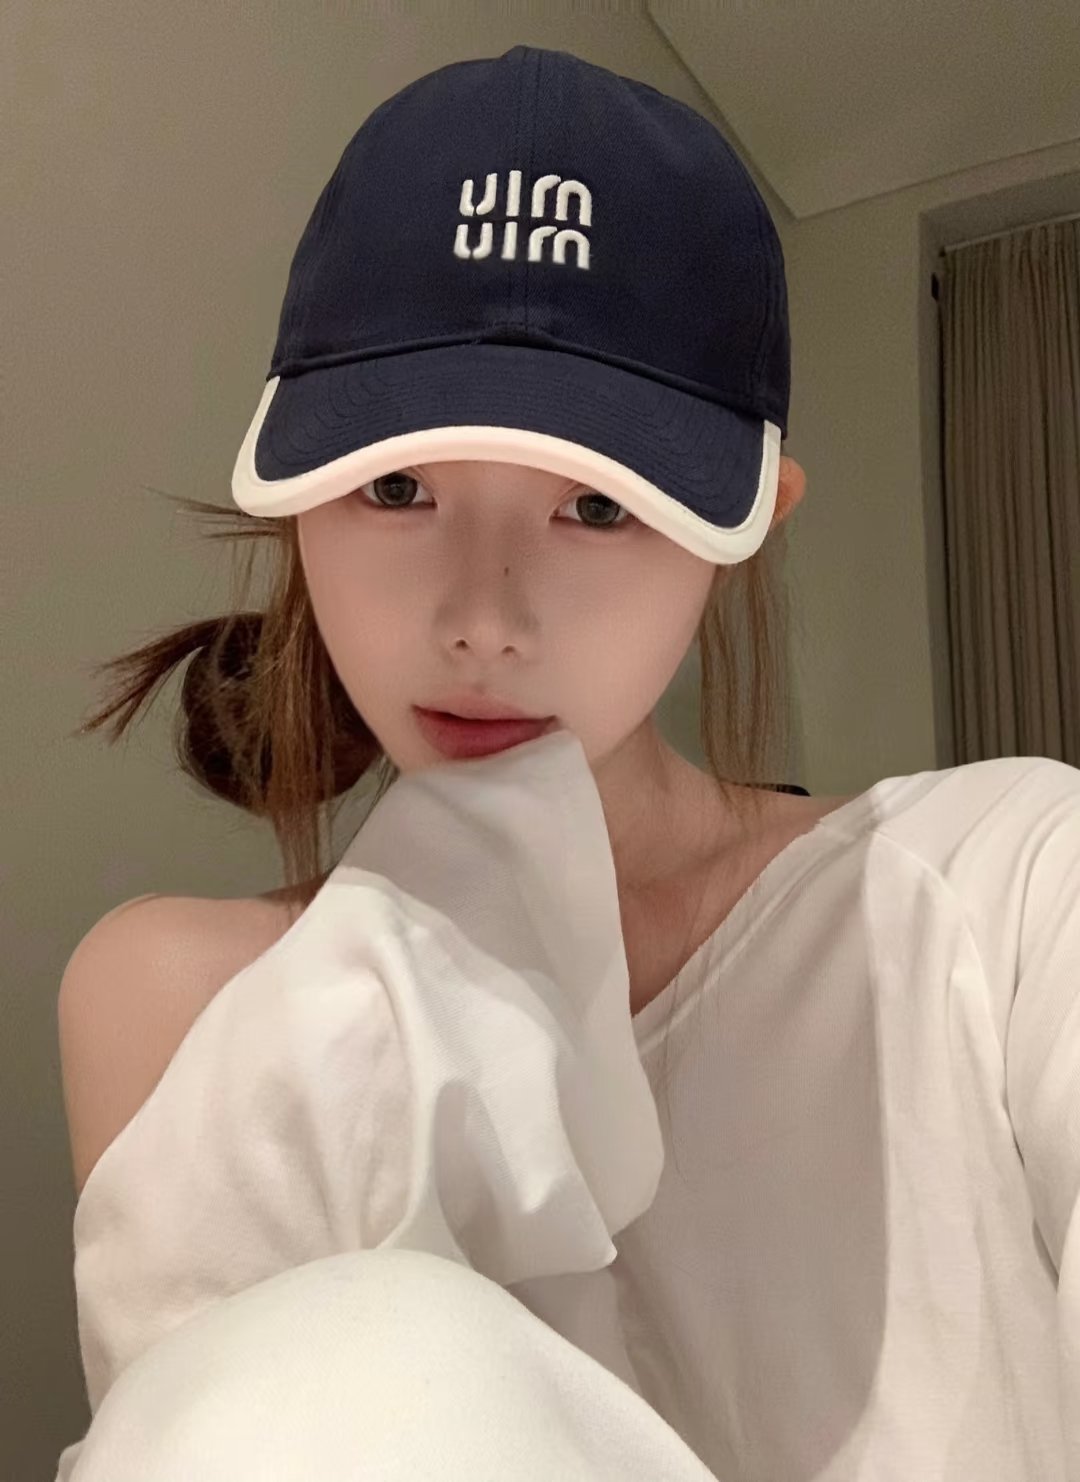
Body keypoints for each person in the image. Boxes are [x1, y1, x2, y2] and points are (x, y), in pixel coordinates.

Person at [60, 43, 1080, 1482]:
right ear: (296, 494)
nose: (483, 618)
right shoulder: (189, 1009)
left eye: (597, 504)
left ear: (745, 527)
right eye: (398, 485)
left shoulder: (1005, 897)